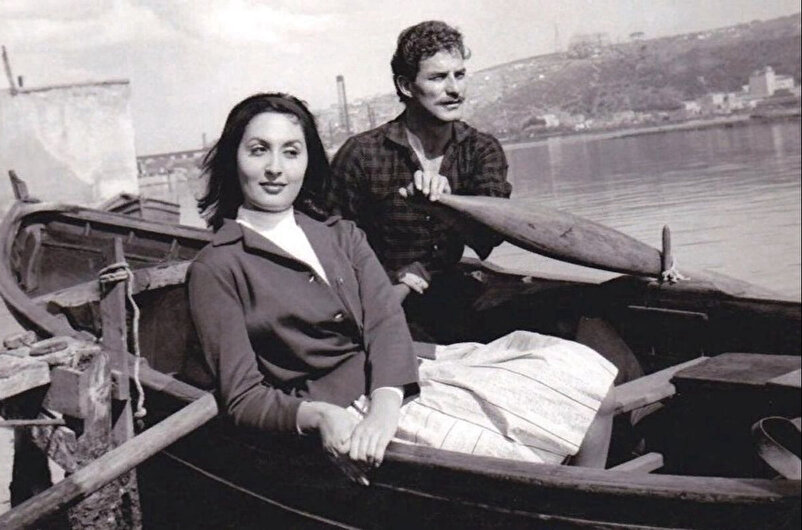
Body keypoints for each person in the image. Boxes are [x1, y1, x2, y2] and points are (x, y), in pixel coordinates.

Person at [185, 93, 617, 476]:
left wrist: (386, 405)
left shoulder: (341, 235)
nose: (275, 168)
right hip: (342, 404)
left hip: (402, 376)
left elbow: (386, 322)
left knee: (589, 383)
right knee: (512, 460)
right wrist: (320, 417)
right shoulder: (217, 267)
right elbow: (243, 397)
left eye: (291, 152)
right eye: (259, 150)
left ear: (308, 162)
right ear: (233, 160)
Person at [328, 20, 511, 344]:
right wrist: (393, 278)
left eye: (459, 75)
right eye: (438, 78)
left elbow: (488, 239)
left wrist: (447, 208)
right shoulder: (361, 155)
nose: (455, 90)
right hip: (381, 303)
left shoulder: (481, 149)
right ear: (406, 86)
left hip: (455, 300)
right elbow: (332, 251)